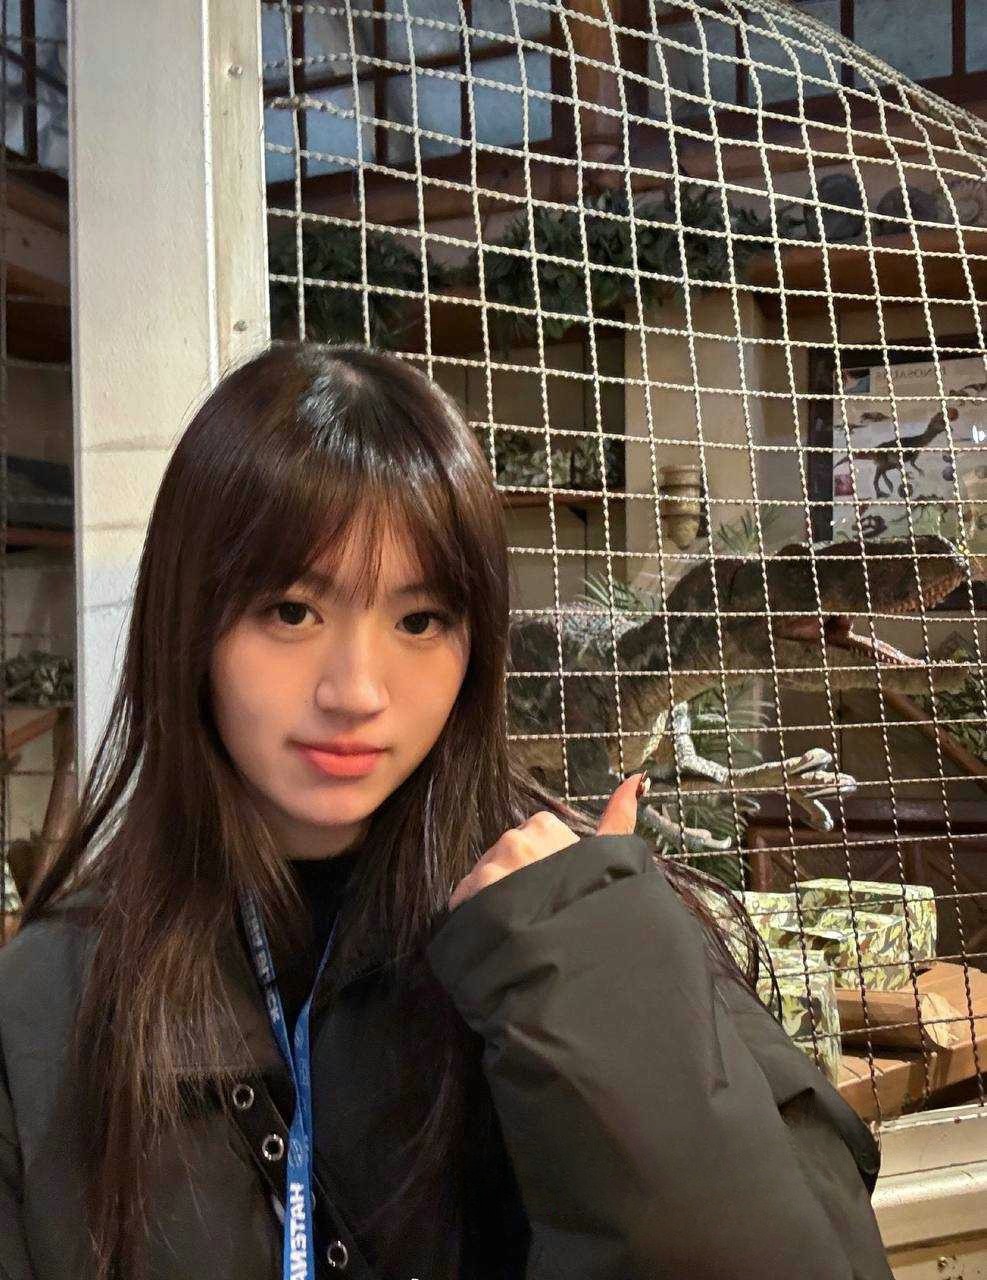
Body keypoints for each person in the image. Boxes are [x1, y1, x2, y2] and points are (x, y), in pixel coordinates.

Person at [0, 342, 892, 1280]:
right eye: (292, 612)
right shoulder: (49, 1002)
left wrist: (594, 988)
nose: (356, 692)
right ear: (188, 622)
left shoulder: (581, 929)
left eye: (419, 621)